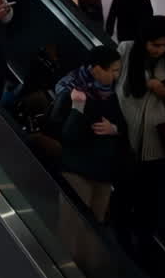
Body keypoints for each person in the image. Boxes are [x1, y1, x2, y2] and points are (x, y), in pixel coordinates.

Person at [113, 15, 165, 264]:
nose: (159, 50)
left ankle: (144, 249)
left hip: (157, 148)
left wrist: (164, 92)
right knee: (122, 197)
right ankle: (119, 247)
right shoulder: (126, 49)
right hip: (125, 143)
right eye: (155, 44)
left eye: (164, 45)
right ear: (144, 39)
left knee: (148, 204)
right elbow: (112, 86)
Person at [52, 46, 127, 239]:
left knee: (94, 231)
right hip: (78, 169)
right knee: (72, 226)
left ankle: (86, 266)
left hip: (103, 171)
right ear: (96, 69)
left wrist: (115, 129)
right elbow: (65, 133)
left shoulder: (112, 93)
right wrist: (78, 107)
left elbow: (124, 125)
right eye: (113, 70)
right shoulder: (71, 90)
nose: (117, 75)